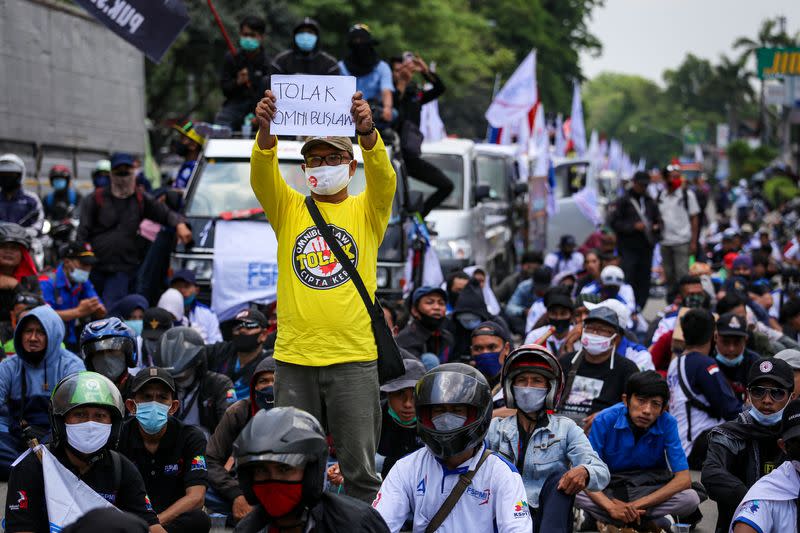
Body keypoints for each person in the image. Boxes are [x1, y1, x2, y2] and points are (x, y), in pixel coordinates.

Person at [251, 87, 395, 502]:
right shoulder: (288, 208)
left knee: (361, 473)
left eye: (333, 159)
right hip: (295, 360)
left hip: (354, 359)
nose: (323, 166)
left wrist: (368, 133)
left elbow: (385, 177)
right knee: (293, 465)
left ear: (351, 167)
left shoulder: (368, 210)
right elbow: (261, 176)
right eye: (314, 160)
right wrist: (265, 134)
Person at [372, 363, 533, 532]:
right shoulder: (407, 468)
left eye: (457, 410)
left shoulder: (501, 473)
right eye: (439, 411)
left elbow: (517, 529)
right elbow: (380, 525)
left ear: (478, 414)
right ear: (425, 415)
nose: (446, 419)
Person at [3, 372, 163, 532]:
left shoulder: (121, 468)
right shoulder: (33, 467)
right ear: (60, 421)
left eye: (100, 416)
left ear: (113, 425)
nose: (90, 424)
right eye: (80, 415)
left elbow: (152, 527)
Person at [486, 345, 610, 533]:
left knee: (560, 474)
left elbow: (601, 472)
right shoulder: (495, 428)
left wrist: (584, 471)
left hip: (545, 516)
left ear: (550, 388)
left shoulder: (566, 428)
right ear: (511, 388)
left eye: (536, 381)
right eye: (522, 380)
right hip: (501, 513)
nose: (528, 388)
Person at [576, 371, 702, 531]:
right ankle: (649, 522)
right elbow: (587, 474)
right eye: (641, 401)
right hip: (610, 487)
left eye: (655, 404)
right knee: (572, 489)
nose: (647, 410)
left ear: (664, 408)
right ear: (626, 400)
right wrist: (611, 506)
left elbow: (683, 479)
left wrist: (632, 506)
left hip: (648, 488)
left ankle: (609, 521)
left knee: (690, 499)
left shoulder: (668, 423)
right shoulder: (604, 419)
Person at [232, 407, 389, 533]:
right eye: (262, 471)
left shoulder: (355, 524)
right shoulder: (249, 528)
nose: (273, 480)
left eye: (284, 469)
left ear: (310, 472)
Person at [77, 152, 192, 308]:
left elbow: (165, 214)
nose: (123, 177)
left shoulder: (141, 199)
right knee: (91, 308)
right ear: (111, 174)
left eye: (127, 172)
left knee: (110, 309)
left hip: (122, 269)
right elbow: (82, 234)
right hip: (95, 267)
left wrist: (180, 224)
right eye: (119, 172)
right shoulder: (94, 199)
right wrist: (82, 262)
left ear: (133, 173)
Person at [702, 357, 795, 533]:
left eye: (777, 392)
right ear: (747, 395)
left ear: (792, 397)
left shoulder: (796, 436)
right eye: (758, 391)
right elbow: (711, 473)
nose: (767, 400)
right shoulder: (729, 433)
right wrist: (756, 499)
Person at [118, 367, 210, 533]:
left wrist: (154, 525)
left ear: (173, 407)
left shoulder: (191, 437)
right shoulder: (118, 436)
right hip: (131, 521)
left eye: (162, 397)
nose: (154, 403)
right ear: (132, 405)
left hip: (170, 519)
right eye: (146, 397)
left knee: (199, 519)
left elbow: (196, 497)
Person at [0, 304, 85, 478]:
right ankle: (33, 469)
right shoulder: (8, 367)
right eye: (28, 331)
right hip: (16, 440)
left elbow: (76, 414)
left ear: (53, 335)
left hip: (56, 440)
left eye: (40, 332)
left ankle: (24, 470)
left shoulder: (71, 365)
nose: (33, 338)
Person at [666, 308, 741, 469]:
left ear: (684, 335)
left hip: (680, 447)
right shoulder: (704, 364)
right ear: (713, 336)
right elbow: (730, 409)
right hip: (698, 446)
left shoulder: (675, 363)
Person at [206, 357, 275, 522]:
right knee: (198, 488)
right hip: (240, 487)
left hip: (282, 487)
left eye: (276, 380)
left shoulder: (297, 413)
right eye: (263, 381)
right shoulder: (238, 412)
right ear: (254, 387)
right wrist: (236, 494)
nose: (270, 386)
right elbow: (209, 460)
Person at [557, 307, 639, 431]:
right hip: (560, 430)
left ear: (615, 339)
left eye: (601, 331)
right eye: (590, 329)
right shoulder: (565, 362)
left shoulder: (627, 369)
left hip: (602, 434)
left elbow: (635, 406)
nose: (594, 334)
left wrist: (608, 415)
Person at [390, 54, 452, 216]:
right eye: (397, 71)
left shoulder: (414, 95)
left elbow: (439, 89)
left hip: (410, 156)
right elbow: (393, 111)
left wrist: (424, 71)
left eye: (405, 70)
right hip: (392, 155)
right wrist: (401, 84)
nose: (401, 74)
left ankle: (418, 217)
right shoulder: (388, 93)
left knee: (446, 185)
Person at [730, 399, 800, 532]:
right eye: (798, 442)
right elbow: (744, 528)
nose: (767, 400)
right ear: (783, 446)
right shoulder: (769, 492)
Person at [154, 327, 235, 437]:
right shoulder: (157, 386)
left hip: (206, 449)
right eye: (171, 377)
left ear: (197, 363)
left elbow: (229, 424)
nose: (176, 381)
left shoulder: (219, 384)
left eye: (181, 375)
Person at [40, 242, 106, 352]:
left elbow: (100, 309)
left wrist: (98, 310)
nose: (87, 269)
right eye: (83, 264)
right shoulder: (47, 282)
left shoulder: (83, 281)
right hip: (50, 339)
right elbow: (44, 316)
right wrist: (78, 312)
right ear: (67, 262)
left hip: (74, 337)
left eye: (90, 265)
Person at [610, 171, 662, 309]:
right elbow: (614, 223)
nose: (643, 188)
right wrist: (632, 226)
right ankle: (627, 307)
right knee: (628, 278)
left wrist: (655, 228)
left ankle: (639, 308)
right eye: (641, 185)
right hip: (628, 248)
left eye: (646, 185)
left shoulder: (651, 202)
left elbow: (659, 221)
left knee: (644, 279)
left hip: (646, 247)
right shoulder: (623, 201)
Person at [216, 15, 271, 130]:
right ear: (240, 34)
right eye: (245, 35)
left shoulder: (269, 63)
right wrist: (238, 82)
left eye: (252, 35)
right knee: (222, 121)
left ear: (261, 37)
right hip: (235, 106)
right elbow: (225, 89)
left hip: (259, 107)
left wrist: (257, 113)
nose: (248, 38)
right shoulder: (231, 58)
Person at [205, 309, 271, 401]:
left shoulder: (270, 363)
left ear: (263, 334)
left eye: (249, 326)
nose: (242, 330)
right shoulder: (221, 351)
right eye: (237, 325)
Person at [338, 24, 394, 125]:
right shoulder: (341, 67)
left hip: (374, 114)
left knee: (394, 114)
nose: (359, 43)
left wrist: (387, 108)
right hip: (346, 114)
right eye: (355, 40)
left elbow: (386, 91)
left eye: (362, 40)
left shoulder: (382, 67)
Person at [657, 165, 700, 296]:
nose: (676, 180)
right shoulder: (661, 196)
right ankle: (671, 302)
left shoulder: (687, 195)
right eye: (673, 177)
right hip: (665, 242)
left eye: (677, 176)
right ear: (665, 179)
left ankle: (684, 300)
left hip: (682, 241)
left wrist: (693, 242)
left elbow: (694, 218)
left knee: (682, 275)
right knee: (669, 275)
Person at [80, 317, 138, 395]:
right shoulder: (85, 394)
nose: (105, 359)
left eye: (111, 351)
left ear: (128, 354)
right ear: (90, 360)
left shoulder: (140, 390)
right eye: (99, 353)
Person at [395, 286, 453, 362]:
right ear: (415, 311)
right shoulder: (405, 338)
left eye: (441, 303)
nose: (437, 307)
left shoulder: (447, 337)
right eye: (429, 302)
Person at [714, 312, 761, 402]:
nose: (731, 349)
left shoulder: (756, 364)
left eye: (737, 343)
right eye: (726, 342)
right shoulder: (706, 362)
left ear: (745, 340)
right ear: (716, 337)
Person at [271, 17, 340, 76]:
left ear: (317, 37)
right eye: (301, 32)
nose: (305, 36)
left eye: (310, 32)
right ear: (294, 36)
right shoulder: (281, 62)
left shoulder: (329, 64)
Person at [0, 222, 39, 324]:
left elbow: (37, 311)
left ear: (23, 254)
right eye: (3, 246)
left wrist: (16, 286)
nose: (8, 251)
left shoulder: (30, 279)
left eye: (14, 248)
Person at [168, 269, 222, 343]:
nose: (182, 290)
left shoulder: (208, 314)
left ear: (197, 290)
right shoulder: (163, 312)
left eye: (186, 286)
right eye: (178, 286)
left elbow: (217, 343)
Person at [0, 153, 44, 233]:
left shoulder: (31, 199)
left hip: (24, 242)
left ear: (20, 175)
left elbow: (38, 224)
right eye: (3, 175)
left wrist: (23, 233)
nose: (6, 178)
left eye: (10, 175)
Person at [524, 288, 575, 353]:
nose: (558, 318)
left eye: (563, 313)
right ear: (547, 316)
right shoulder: (534, 337)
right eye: (554, 313)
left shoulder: (578, 337)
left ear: (571, 317)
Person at [506, 266, 552, 336]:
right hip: (526, 320)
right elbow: (510, 307)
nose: (541, 291)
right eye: (539, 287)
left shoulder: (553, 289)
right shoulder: (524, 287)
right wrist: (524, 311)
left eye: (544, 288)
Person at [469, 320, 512, 388]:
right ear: (472, 351)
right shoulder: (467, 383)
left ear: (506, 349)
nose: (485, 352)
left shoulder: (515, 382)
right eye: (478, 349)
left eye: (492, 347)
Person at [172, 122, 206, 190]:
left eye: (182, 138)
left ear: (193, 145)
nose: (179, 141)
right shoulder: (187, 166)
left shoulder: (197, 170)